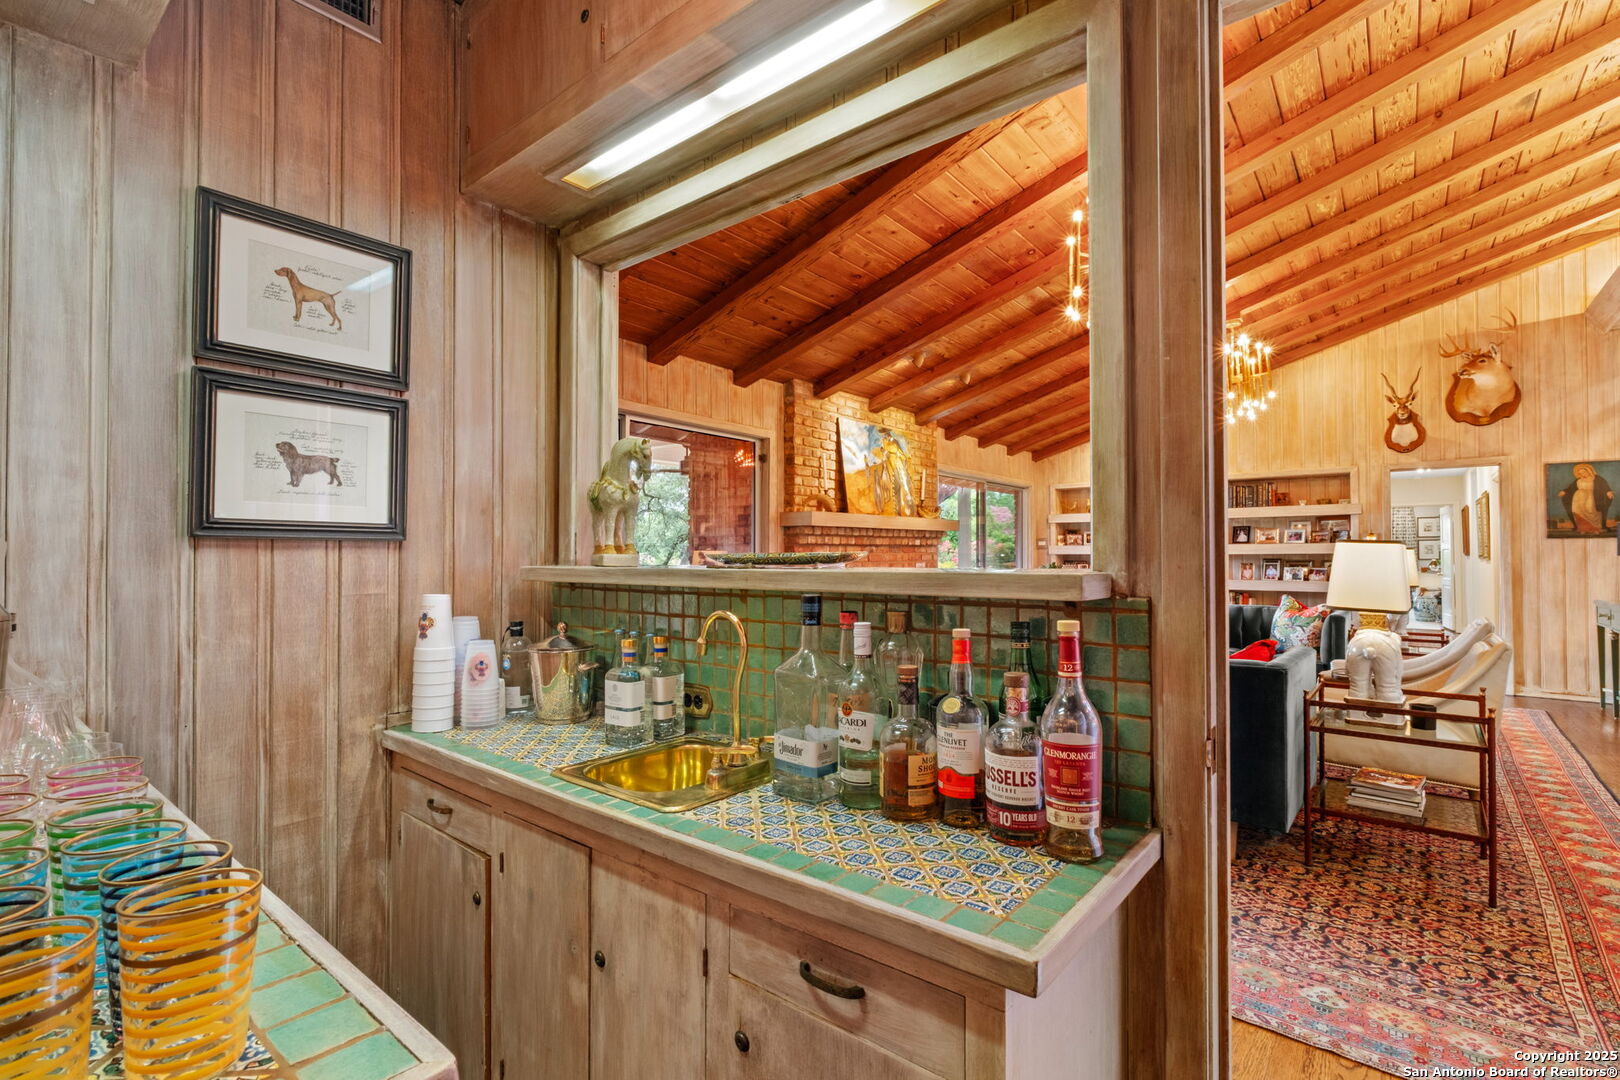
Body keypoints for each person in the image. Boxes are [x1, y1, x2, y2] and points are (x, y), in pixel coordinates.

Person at [1559, 462, 1614, 535]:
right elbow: (1571, 488)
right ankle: (1583, 528)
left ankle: (1595, 528)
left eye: (1583, 472)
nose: (1582, 474)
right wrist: (1564, 491)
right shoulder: (1578, 480)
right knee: (1579, 513)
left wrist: (1608, 492)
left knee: (1591, 511)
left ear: (1588, 471)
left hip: (1591, 497)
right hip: (1578, 499)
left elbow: (1604, 486)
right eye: (1580, 473)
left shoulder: (1597, 478)